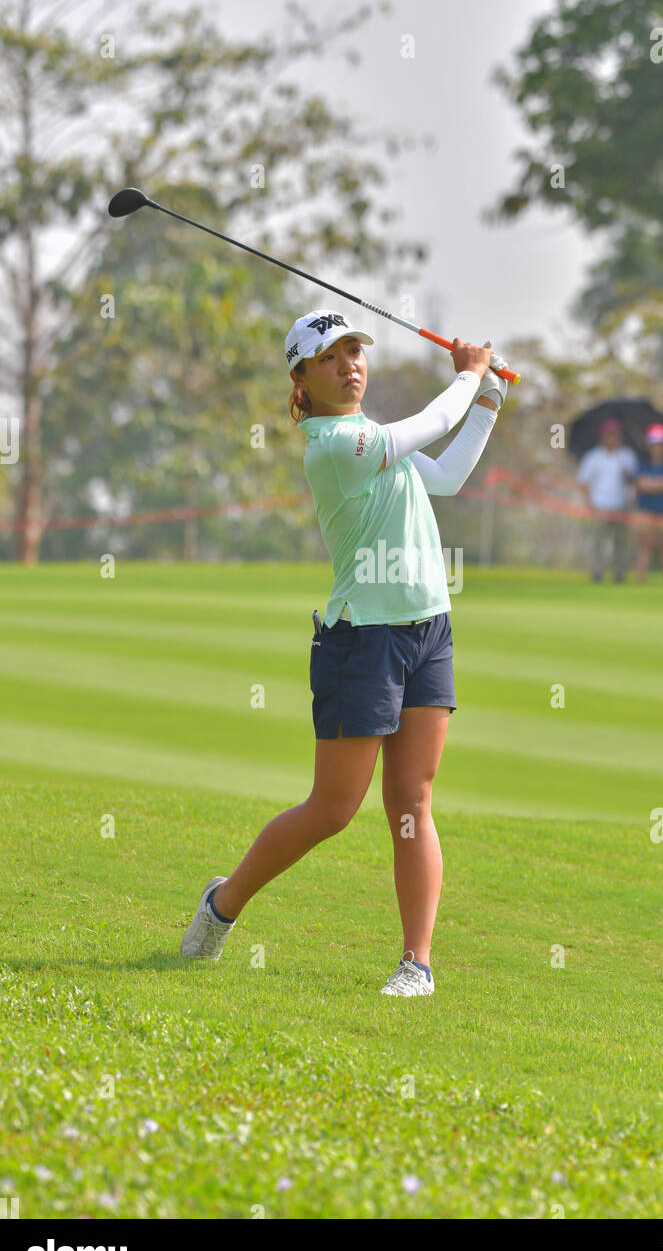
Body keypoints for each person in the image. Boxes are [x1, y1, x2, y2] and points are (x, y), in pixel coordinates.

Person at [181, 308, 509, 997]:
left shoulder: (371, 436)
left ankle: (416, 963)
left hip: (427, 628)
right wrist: (470, 377)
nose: (349, 365)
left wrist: (489, 401)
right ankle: (224, 903)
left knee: (412, 799)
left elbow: (443, 477)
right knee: (333, 809)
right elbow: (426, 427)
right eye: (330, 358)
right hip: (362, 638)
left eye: (355, 352)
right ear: (301, 377)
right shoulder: (334, 445)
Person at [576, 417, 637, 582]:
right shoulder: (593, 457)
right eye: (609, 434)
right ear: (602, 436)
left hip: (621, 506)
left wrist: (627, 475)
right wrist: (589, 504)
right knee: (598, 543)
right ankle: (597, 572)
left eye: (615, 434)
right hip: (600, 506)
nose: (612, 438)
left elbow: (635, 482)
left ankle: (619, 574)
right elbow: (584, 482)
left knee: (621, 543)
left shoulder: (627, 456)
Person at [634, 423, 663, 584]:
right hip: (646, 511)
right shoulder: (643, 465)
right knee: (645, 546)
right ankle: (640, 580)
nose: (657, 448)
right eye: (654, 444)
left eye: (660, 444)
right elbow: (642, 485)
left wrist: (652, 484)